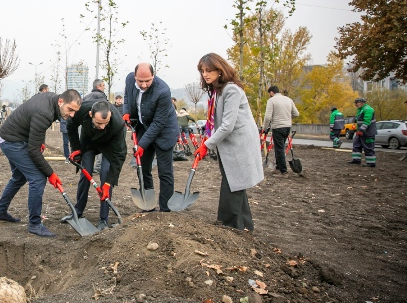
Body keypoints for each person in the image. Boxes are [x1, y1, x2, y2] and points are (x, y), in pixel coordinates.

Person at [0, 89, 82, 237]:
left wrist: (40, 141)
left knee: (19, 177)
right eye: (70, 109)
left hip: (16, 137)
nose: (72, 114)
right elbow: (33, 151)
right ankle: (34, 224)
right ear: (61, 101)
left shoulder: (52, 101)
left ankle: (0, 212)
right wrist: (50, 173)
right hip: (12, 141)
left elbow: (38, 127)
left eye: (74, 111)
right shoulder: (44, 112)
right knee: (38, 179)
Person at [193, 53, 264, 231]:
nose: (205, 74)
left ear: (220, 70)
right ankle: (245, 225)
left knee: (233, 184)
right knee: (234, 182)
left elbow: (227, 125)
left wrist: (206, 145)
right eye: (202, 71)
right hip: (230, 144)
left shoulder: (231, 90)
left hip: (240, 143)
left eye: (209, 70)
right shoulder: (218, 91)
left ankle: (228, 225)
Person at [123, 63, 180, 211]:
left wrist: (142, 144)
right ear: (134, 77)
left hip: (164, 131)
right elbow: (127, 97)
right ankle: (148, 204)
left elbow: (158, 123)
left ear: (153, 76)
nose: (143, 84)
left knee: (164, 172)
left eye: (147, 81)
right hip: (144, 127)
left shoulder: (163, 91)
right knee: (142, 168)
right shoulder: (129, 80)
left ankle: (165, 209)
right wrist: (126, 111)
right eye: (140, 81)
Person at [64, 100, 127, 230]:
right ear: (90, 114)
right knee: (85, 173)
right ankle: (78, 211)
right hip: (89, 142)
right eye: (99, 123)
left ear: (110, 116)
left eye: (105, 123)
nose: (102, 126)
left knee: (105, 174)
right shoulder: (81, 111)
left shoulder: (118, 125)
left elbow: (119, 157)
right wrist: (76, 149)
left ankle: (104, 218)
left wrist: (109, 182)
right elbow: (71, 126)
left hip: (109, 145)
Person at [262, 85, 299, 175]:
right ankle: (278, 167)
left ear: (271, 92)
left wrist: (264, 127)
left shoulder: (271, 100)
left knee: (279, 149)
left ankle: (283, 170)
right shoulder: (288, 99)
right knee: (281, 147)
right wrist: (287, 117)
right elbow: (296, 114)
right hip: (287, 127)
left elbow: (267, 117)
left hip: (278, 127)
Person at [349, 97, 377, 167]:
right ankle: (356, 160)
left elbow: (367, 121)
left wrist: (361, 130)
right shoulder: (361, 110)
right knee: (356, 145)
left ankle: (371, 163)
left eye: (356, 103)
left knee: (368, 147)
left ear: (361, 102)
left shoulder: (368, 109)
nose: (355, 105)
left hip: (368, 133)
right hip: (360, 132)